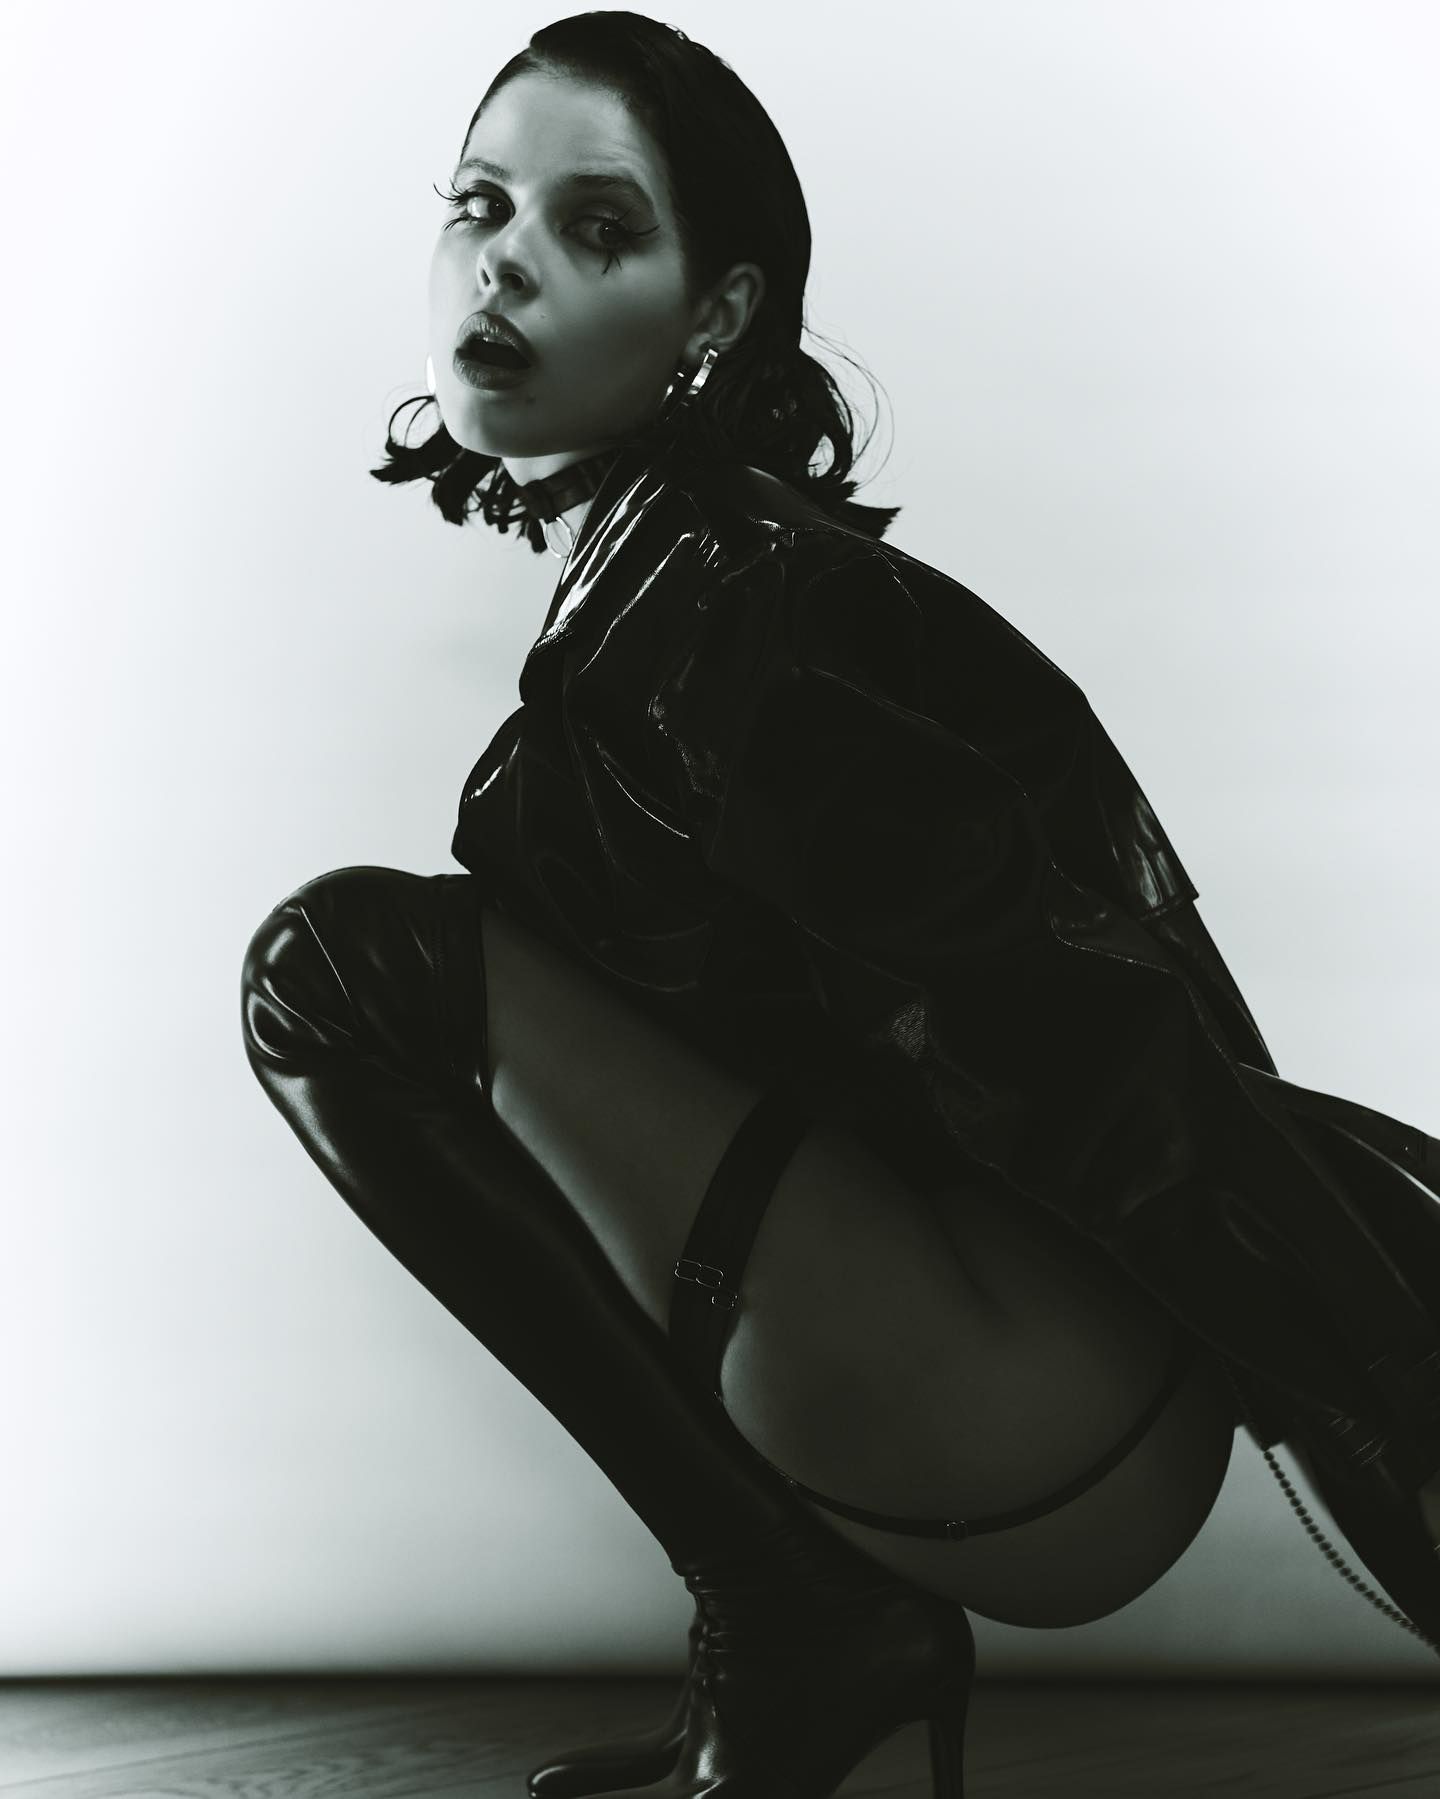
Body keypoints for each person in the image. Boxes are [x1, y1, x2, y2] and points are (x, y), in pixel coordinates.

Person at [240, 13, 1440, 1796]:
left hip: (1034, 1394)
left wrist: (1365, 1398)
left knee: (342, 974)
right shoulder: (663, 586)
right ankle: (799, 1648)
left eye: (597, 228)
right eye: (480, 204)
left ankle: (799, 1624)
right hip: (996, 1375)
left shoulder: (738, 613)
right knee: (433, 992)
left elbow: (1073, 1029)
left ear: (713, 317)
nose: (505, 263)